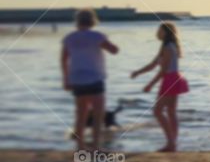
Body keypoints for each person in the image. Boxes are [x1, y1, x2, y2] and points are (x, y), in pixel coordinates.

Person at [61, 9, 119, 152]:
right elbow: (114, 50)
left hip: (77, 79)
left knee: (81, 115)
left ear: (77, 21)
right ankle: (95, 147)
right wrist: (112, 44)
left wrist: (66, 80)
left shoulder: (69, 38)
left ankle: (80, 147)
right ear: (93, 21)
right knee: (98, 115)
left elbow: (64, 59)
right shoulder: (97, 36)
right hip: (95, 78)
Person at [131, 22, 188, 152]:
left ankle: (171, 143)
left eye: (160, 30)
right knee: (171, 112)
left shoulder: (168, 47)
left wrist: (150, 85)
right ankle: (172, 143)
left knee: (157, 111)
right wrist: (138, 72)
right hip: (173, 78)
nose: (157, 33)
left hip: (170, 79)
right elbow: (152, 65)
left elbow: (163, 70)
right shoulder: (166, 46)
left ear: (166, 32)